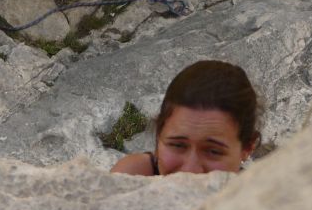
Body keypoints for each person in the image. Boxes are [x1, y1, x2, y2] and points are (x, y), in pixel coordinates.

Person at [110, 60, 261, 176]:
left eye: (213, 152)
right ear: (158, 136)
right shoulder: (133, 176)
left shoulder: (263, 204)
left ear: (247, 148)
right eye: (178, 145)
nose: (190, 170)